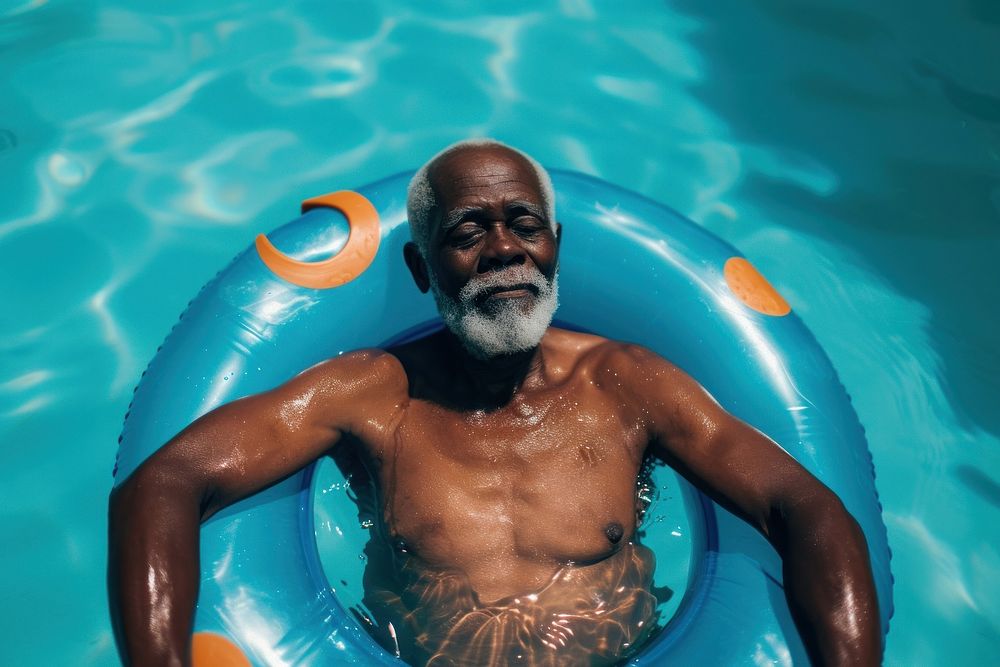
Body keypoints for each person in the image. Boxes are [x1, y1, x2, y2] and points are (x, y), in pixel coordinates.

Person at [108, 139, 880, 666]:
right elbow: (165, 482)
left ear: (555, 245)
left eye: (524, 225)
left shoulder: (629, 385)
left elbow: (805, 508)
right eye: (468, 230)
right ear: (420, 266)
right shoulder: (372, 395)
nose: (504, 249)